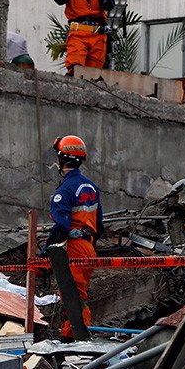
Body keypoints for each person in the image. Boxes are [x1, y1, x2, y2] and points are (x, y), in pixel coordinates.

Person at [46, 135, 104, 340]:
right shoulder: (91, 188)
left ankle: (76, 340)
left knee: (73, 297)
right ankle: (75, 334)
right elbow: (100, 225)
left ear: (62, 159)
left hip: (73, 248)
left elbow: (62, 225)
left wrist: (48, 249)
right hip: (88, 247)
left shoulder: (64, 190)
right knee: (78, 293)